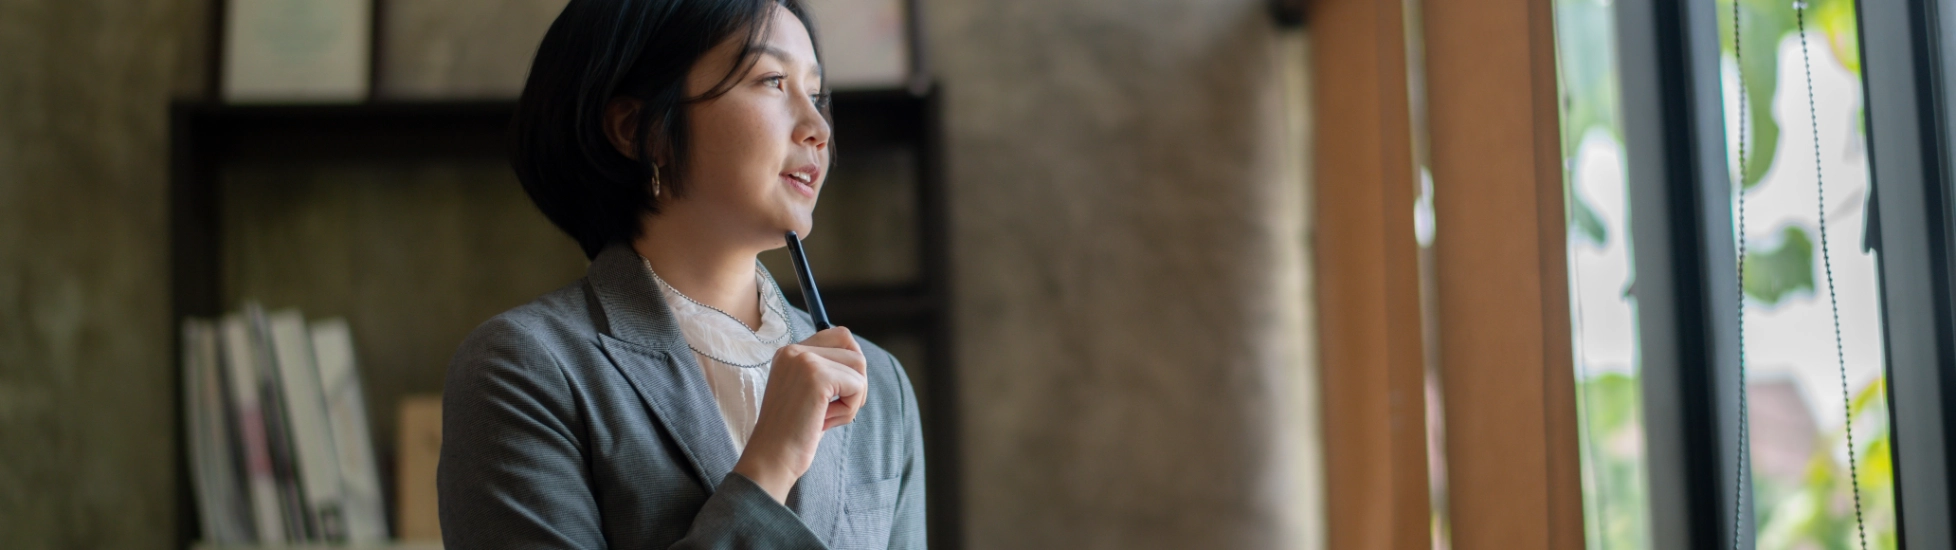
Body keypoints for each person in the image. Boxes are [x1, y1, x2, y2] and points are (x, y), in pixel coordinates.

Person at [437, 0, 925, 547]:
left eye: (815, 95)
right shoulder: (524, 369)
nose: (817, 129)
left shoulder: (879, 386)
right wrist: (771, 465)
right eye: (771, 81)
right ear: (640, 130)